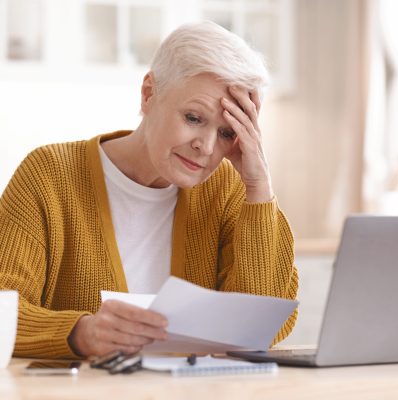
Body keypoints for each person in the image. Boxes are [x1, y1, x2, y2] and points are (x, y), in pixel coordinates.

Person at [0, 21, 298, 359]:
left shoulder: (227, 190)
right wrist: (79, 332)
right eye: (193, 118)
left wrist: (259, 190)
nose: (206, 146)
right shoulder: (49, 175)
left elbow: (256, 330)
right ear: (149, 93)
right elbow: (3, 311)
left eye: (228, 133)